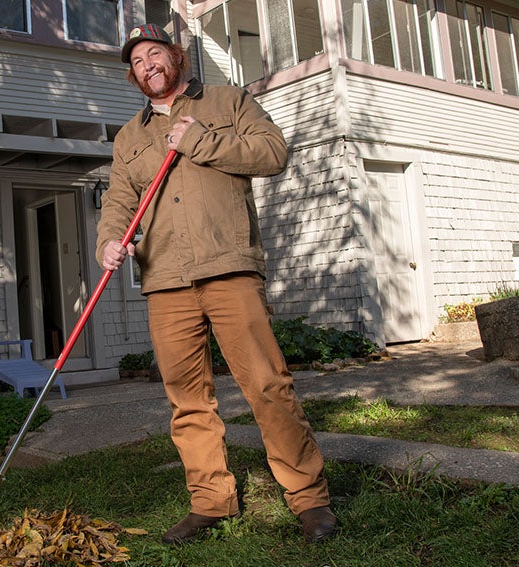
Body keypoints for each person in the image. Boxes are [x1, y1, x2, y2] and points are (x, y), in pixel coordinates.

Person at [96, 23, 338, 545]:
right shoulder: (129, 137)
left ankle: (309, 498)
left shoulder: (229, 101)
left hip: (228, 268)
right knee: (187, 401)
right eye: (137, 62)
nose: (147, 67)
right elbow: (119, 202)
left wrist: (202, 140)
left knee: (268, 385)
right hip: (165, 280)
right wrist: (110, 241)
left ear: (175, 57)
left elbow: (273, 153)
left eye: (154, 54)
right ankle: (211, 502)